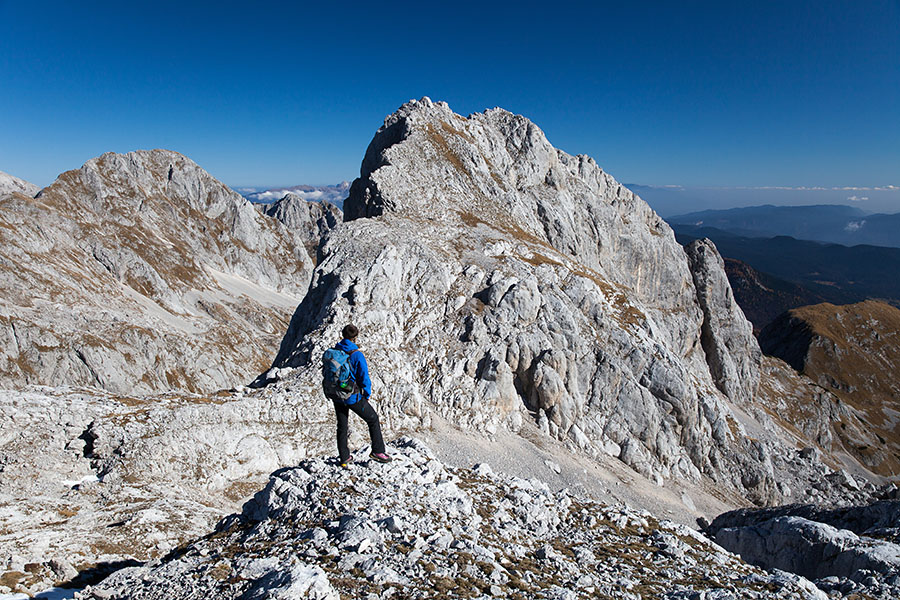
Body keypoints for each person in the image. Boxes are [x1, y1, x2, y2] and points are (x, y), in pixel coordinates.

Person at [330, 324, 391, 466]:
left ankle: (344, 457)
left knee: (342, 425)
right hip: (352, 395)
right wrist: (367, 393)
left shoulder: (335, 351)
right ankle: (378, 451)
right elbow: (364, 376)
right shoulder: (356, 355)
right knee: (373, 419)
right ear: (355, 337)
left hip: (337, 394)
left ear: (343, 335)